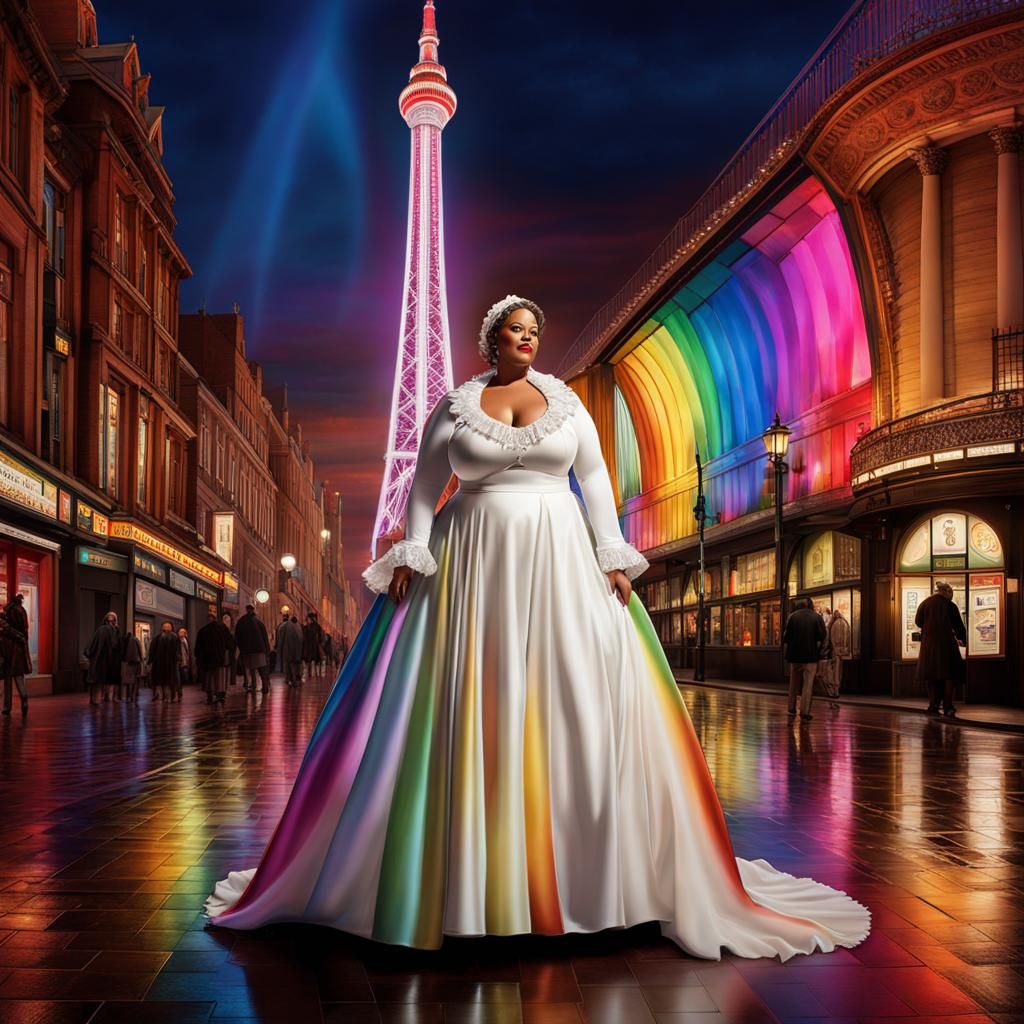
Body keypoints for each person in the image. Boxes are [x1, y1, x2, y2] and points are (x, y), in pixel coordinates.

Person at [206, 295, 869, 960]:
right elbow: (425, 486)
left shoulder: (569, 406)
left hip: (559, 560)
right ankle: (467, 877)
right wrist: (413, 551)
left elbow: (596, 479)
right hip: (470, 566)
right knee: (471, 705)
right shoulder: (453, 407)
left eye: (534, 331)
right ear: (490, 340)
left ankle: (581, 876)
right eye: (514, 331)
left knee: (571, 702)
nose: (526, 339)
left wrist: (612, 557)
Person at [915, 582, 966, 718]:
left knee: (931, 676)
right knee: (949, 675)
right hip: (947, 645)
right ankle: (948, 706)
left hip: (928, 647)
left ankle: (933, 704)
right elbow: (959, 626)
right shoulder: (950, 605)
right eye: (951, 595)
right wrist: (963, 640)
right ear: (947, 593)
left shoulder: (925, 603)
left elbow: (918, 622)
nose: (951, 597)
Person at [784, 598, 826, 721]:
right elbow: (822, 636)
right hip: (811, 656)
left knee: (794, 683)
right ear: (810, 605)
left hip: (795, 656)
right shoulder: (817, 617)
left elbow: (786, 637)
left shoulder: (792, 617)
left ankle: (791, 708)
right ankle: (805, 711)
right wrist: (819, 651)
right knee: (808, 685)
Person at [1, 594, 32, 716]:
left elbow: (5, 629)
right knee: (19, 678)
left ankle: (6, 707)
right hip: (18, 650)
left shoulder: (8, 613)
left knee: (7, 680)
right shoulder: (22, 611)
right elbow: (24, 629)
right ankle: (24, 698)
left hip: (6, 648)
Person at [84, 610, 121, 706]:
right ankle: (97, 698)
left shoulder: (114, 630)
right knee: (99, 680)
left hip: (107, 659)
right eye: (110, 617)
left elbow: (116, 645)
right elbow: (95, 643)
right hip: (102, 658)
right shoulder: (103, 630)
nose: (111, 620)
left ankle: (99, 698)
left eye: (113, 618)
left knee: (100, 680)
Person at [196, 606, 231, 704]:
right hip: (220, 657)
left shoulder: (202, 631)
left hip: (207, 658)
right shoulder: (223, 628)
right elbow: (229, 643)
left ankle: (210, 695)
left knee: (209, 677)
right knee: (219, 677)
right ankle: (219, 694)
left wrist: (199, 658)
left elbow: (198, 647)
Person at [235, 604, 271, 693]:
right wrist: (266, 650)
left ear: (246, 610)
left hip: (247, 651)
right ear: (253, 610)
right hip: (259, 650)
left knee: (251, 669)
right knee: (262, 669)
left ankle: (252, 685)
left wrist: (241, 649)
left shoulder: (241, 622)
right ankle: (265, 687)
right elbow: (265, 637)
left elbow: (238, 637)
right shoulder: (259, 622)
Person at [147, 621, 180, 702]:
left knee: (170, 681)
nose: (166, 627)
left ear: (171, 627)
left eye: (168, 626)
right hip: (160, 662)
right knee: (163, 681)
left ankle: (171, 697)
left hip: (170, 662)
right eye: (164, 626)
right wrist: (151, 660)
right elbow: (152, 649)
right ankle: (165, 697)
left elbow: (177, 650)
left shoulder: (174, 636)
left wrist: (177, 659)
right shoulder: (158, 637)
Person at [825, 606, 852, 706]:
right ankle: (836, 689)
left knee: (834, 671)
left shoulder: (833, 624)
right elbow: (848, 638)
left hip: (835, 651)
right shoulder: (845, 623)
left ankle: (834, 690)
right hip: (843, 651)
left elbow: (830, 639)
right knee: (839, 671)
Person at [120, 629, 143, 704]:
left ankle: (128, 696)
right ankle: (133, 695)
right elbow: (140, 650)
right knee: (135, 680)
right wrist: (141, 659)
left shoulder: (123, 640)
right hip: (136, 661)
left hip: (127, 662)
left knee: (128, 680)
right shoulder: (136, 639)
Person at [280, 615, 304, 687]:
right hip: (297, 652)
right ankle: (296, 680)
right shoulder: (299, 627)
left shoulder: (286, 626)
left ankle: (291, 680)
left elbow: (281, 638)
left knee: (289, 667)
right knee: (296, 666)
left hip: (288, 651)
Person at [301, 611, 324, 680]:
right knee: (316, 661)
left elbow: (305, 637)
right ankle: (317, 674)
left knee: (309, 660)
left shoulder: (307, 627)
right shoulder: (318, 626)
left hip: (309, 646)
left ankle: (310, 674)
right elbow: (320, 638)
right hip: (315, 646)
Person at [175, 627, 193, 702]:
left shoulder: (186, 640)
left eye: (184, 632)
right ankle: (179, 694)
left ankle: (179, 691)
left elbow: (188, 651)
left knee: (182, 678)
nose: (182, 633)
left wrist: (189, 660)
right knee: (178, 679)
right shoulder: (176, 640)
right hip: (178, 662)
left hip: (185, 662)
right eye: (181, 632)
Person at [221, 612, 238, 687]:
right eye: (226, 621)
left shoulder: (231, 631)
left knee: (230, 666)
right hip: (227, 651)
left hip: (231, 651)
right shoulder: (225, 630)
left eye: (228, 621)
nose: (228, 622)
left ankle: (231, 681)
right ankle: (228, 682)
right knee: (226, 667)